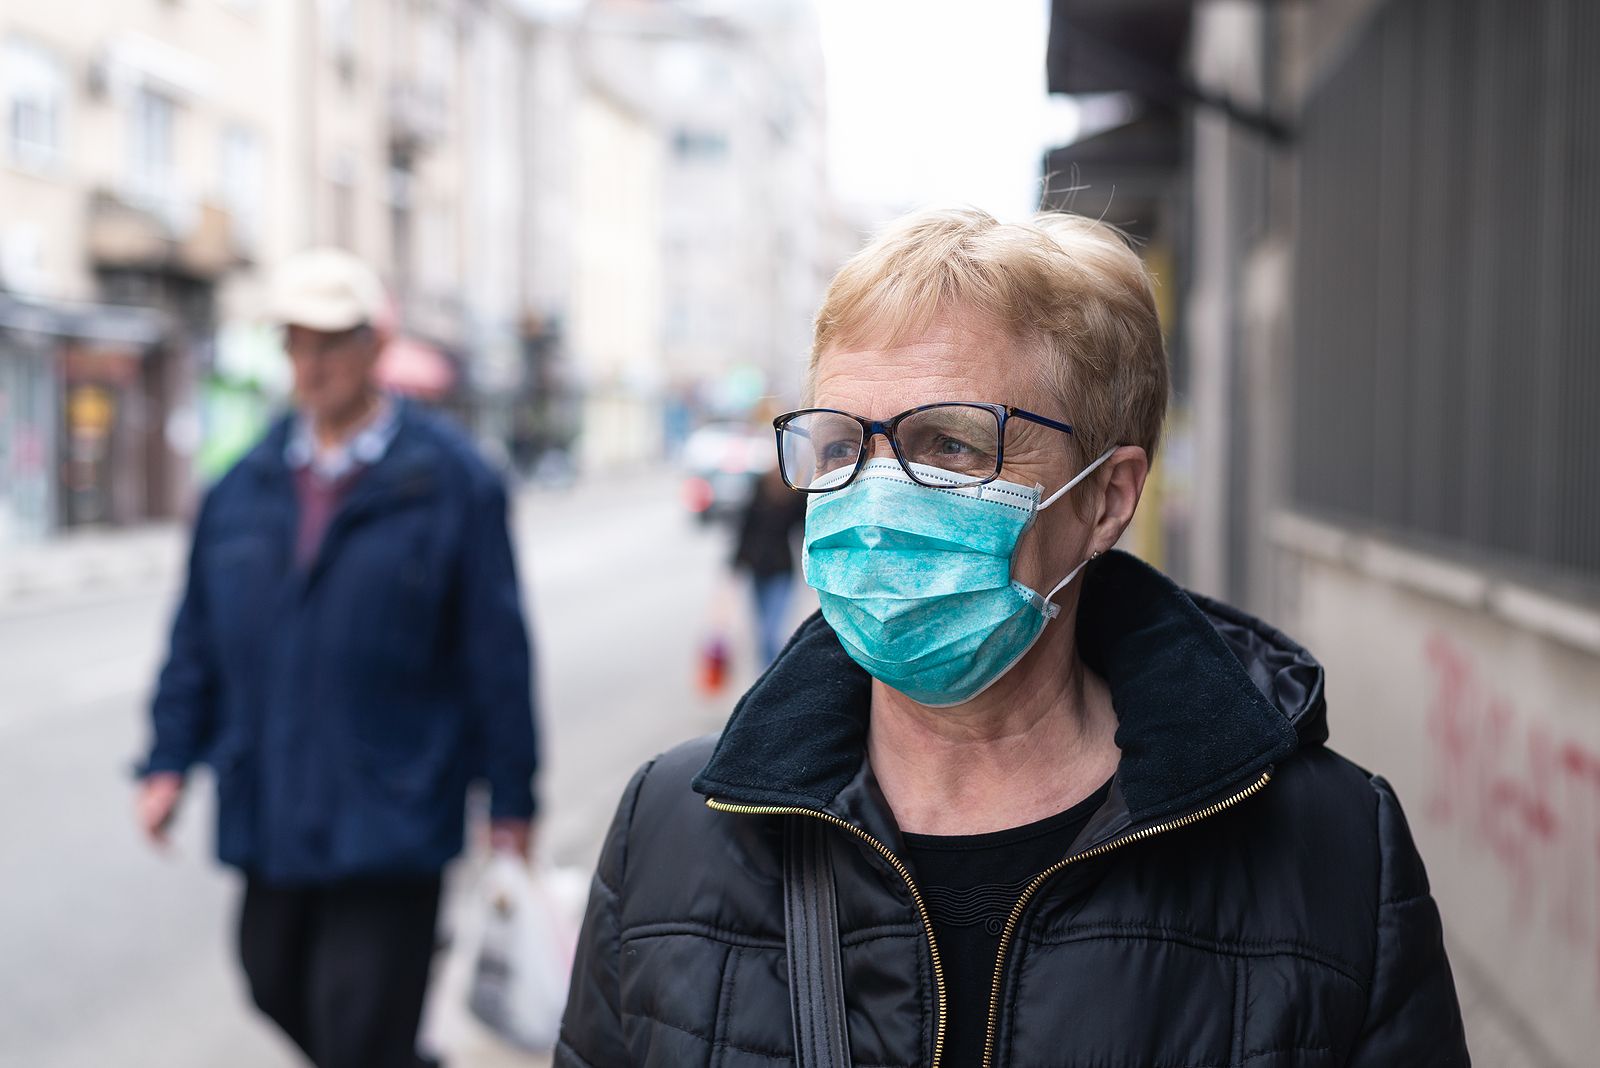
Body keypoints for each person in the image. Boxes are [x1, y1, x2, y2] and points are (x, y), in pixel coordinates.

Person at [556, 208, 1469, 1067]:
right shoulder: (671, 831)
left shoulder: (1335, 853)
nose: (875, 500)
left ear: (1106, 500)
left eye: (949, 444)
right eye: (839, 445)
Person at [136, 248, 540, 1068]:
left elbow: (496, 651)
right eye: (296, 343)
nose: (310, 364)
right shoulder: (241, 485)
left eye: (330, 342)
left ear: (374, 346)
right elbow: (196, 638)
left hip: (396, 803)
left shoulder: (452, 480)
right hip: (274, 795)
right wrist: (167, 761)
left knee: (357, 1026)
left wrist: (513, 800)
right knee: (269, 977)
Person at [731, 465, 808, 665]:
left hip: (781, 570)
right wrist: (736, 565)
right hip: (757, 569)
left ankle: (771, 670)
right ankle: (765, 672)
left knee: (771, 630)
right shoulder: (758, 490)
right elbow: (744, 530)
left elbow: (805, 529)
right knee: (761, 629)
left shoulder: (793, 497)